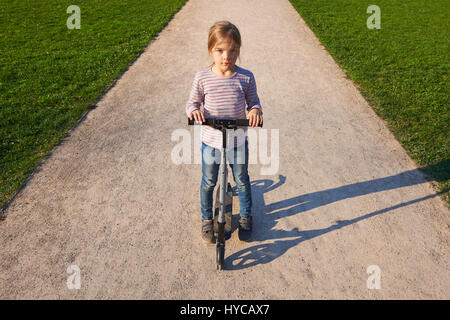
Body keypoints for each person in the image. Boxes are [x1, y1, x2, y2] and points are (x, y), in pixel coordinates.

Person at [185, 20, 263, 244]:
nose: (226, 56)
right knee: (209, 181)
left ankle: (246, 217)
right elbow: (192, 103)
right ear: (211, 50)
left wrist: (255, 111)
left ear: (238, 50)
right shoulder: (202, 77)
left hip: (237, 140)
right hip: (211, 141)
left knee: (241, 179)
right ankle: (207, 219)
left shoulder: (245, 77)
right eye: (220, 50)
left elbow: (254, 102)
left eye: (232, 50)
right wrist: (194, 111)